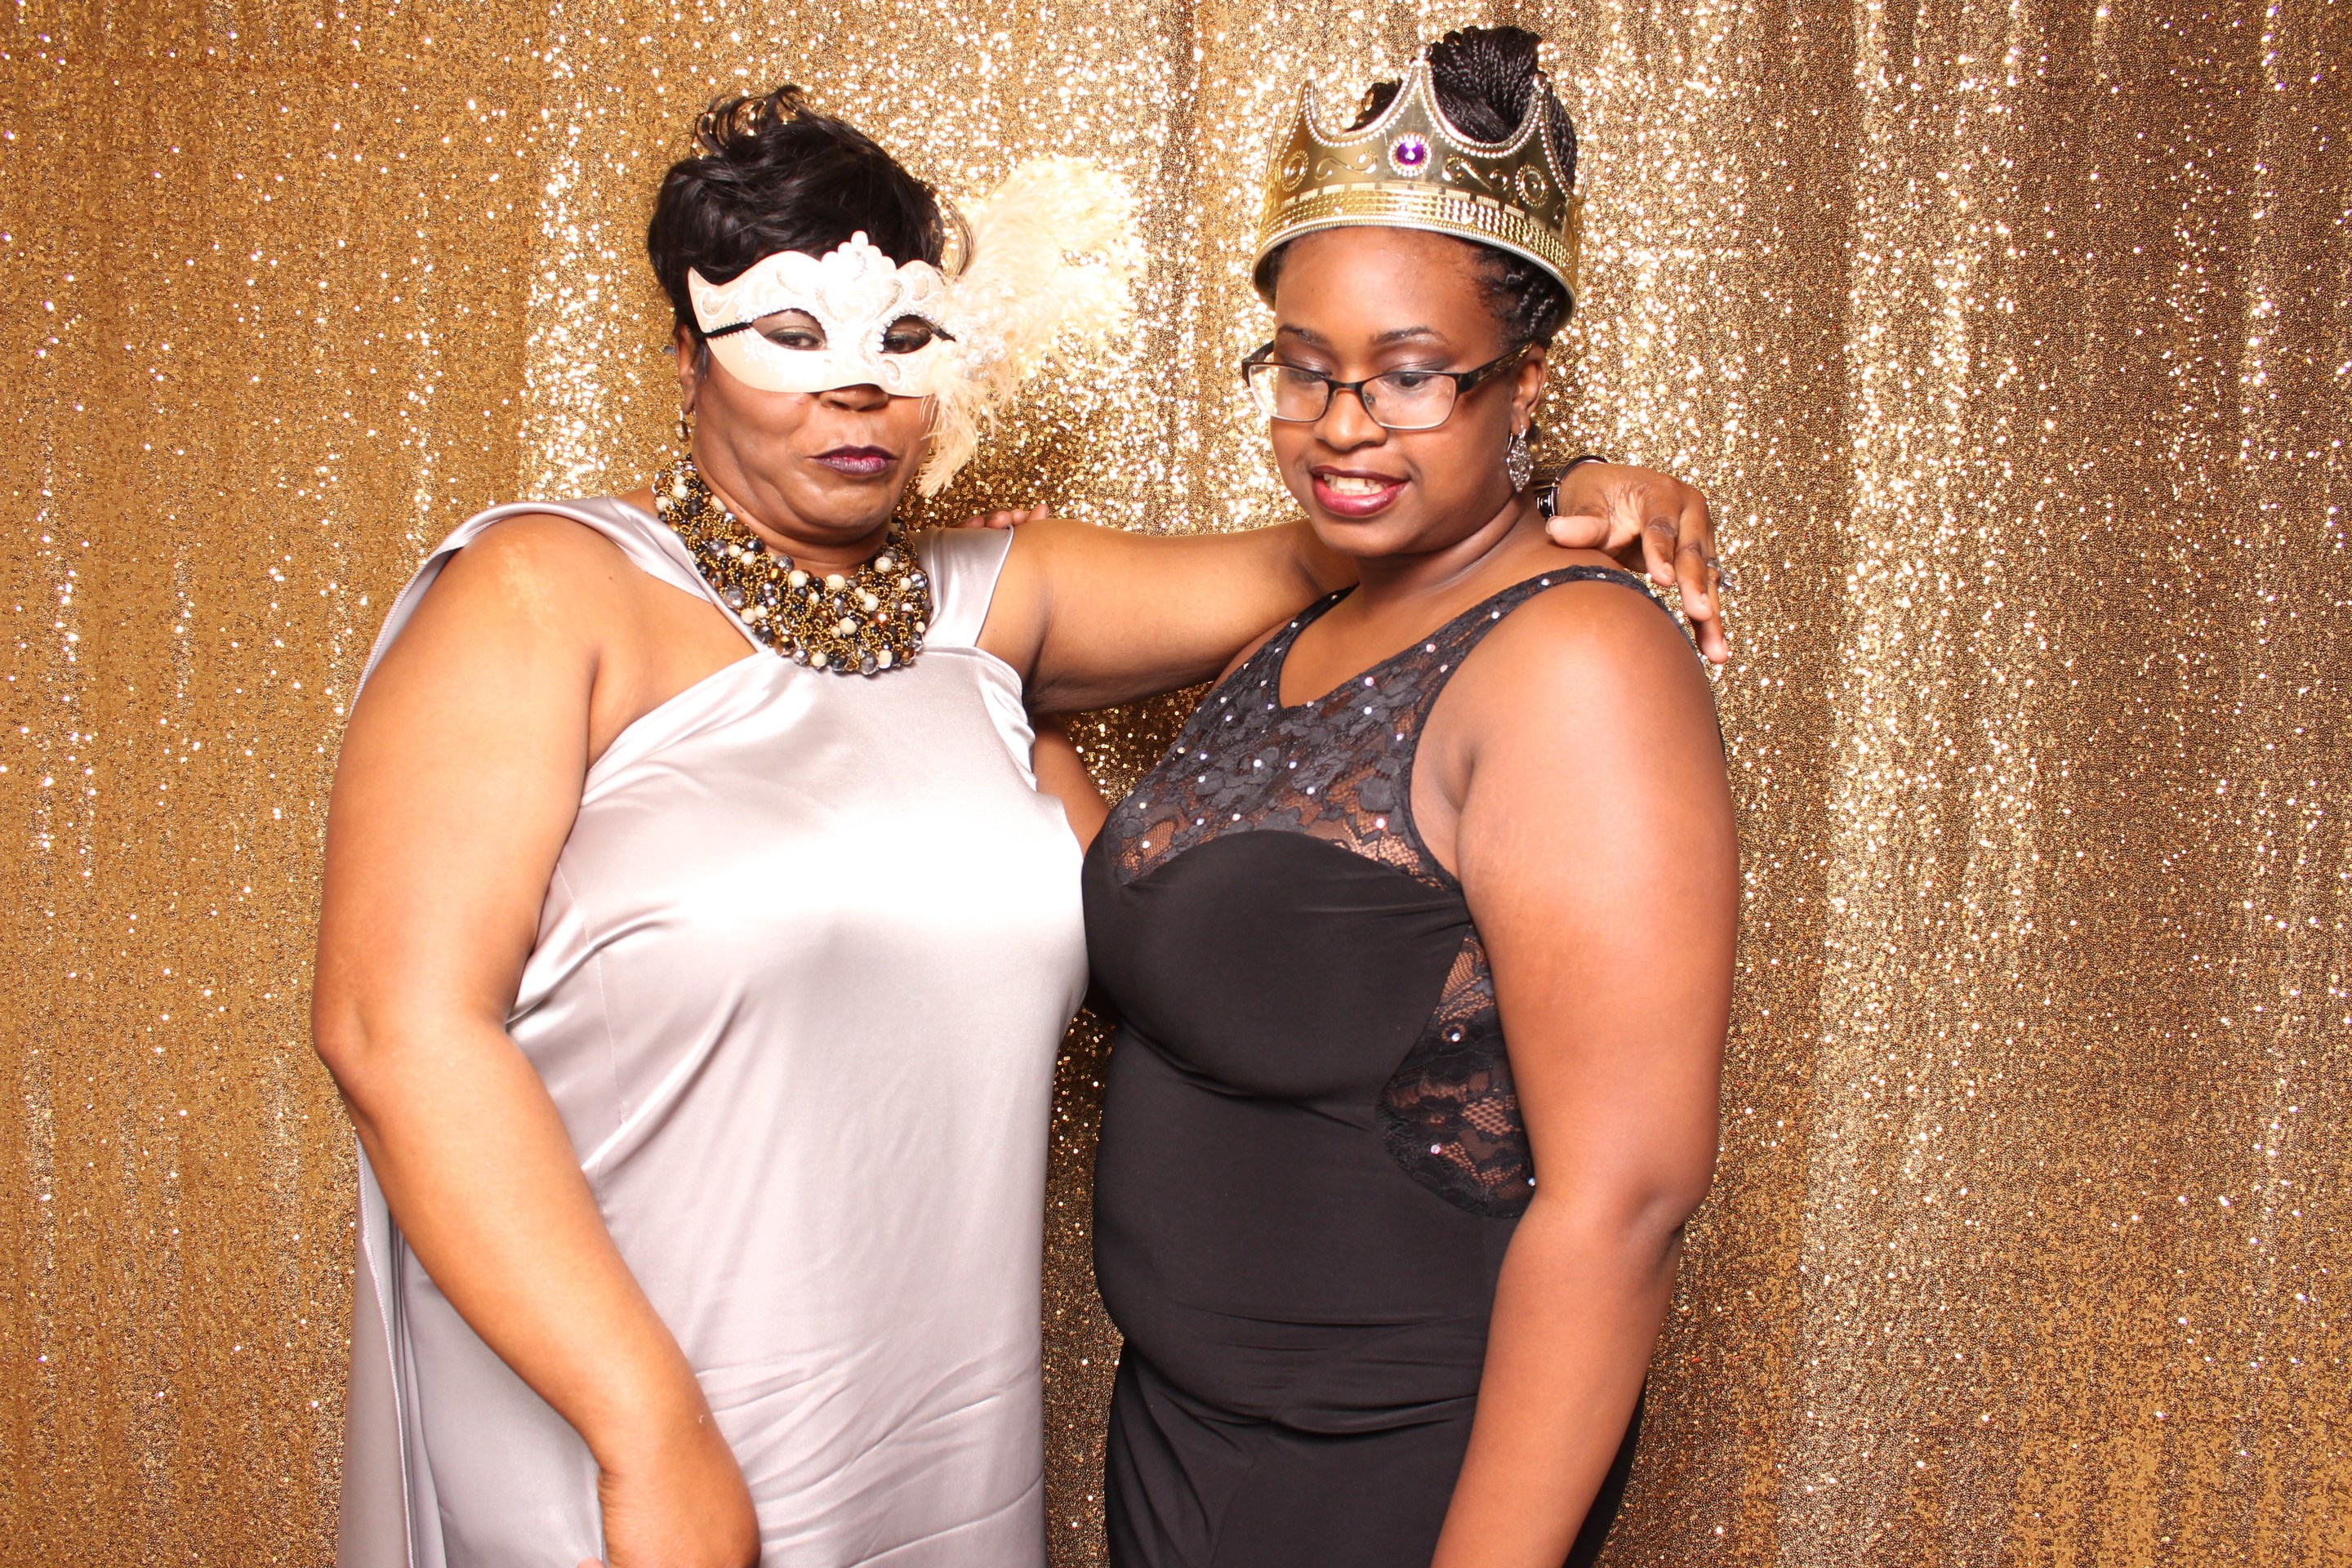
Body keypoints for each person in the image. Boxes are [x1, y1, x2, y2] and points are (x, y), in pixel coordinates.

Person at [312, 85, 1726, 1568]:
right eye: (788, 336)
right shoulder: (541, 593)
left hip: (926, 1414)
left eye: (903, 341)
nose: (854, 395)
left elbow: (1374, 534)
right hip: (616, 1395)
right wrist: (641, 1430)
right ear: (686, 350)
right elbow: (392, 1027)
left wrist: (1568, 487)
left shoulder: (986, 607)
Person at [1079, 28, 1739, 1568]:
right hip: (1184, 1441)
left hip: (1392, 1470)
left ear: (1525, 383)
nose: (1343, 420)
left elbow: (1627, 1197)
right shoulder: (1312, 618)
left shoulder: (1577, 660)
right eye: (1303, 367)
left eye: (1412, 375)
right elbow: (1191, 910)